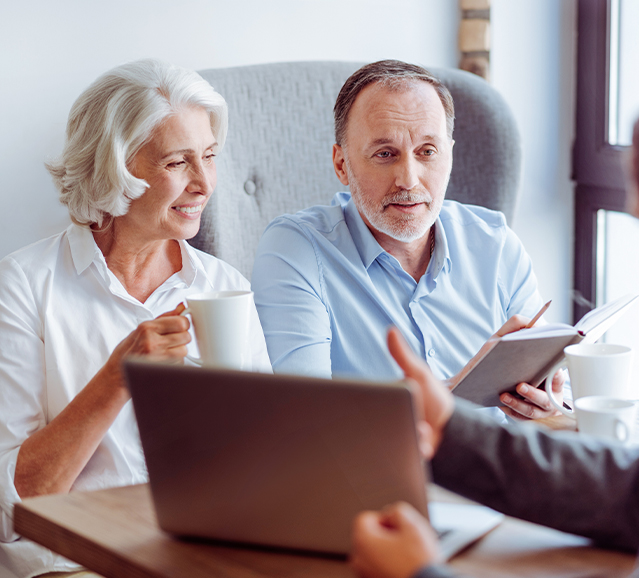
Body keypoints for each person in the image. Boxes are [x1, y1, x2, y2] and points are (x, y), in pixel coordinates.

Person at [0, 60, 271, 578]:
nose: (204, 184)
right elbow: (18, 501)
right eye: (177, 163)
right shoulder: (23, 286)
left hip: (201, 552)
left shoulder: (225, 288)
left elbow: (264, 462)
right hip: (75, 561)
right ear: (114, 168)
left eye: (209, 157)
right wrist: (119, 377)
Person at [251, 60, 563, 420]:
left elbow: (555, 399)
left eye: (427, 152)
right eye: (385, 154)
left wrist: (545, 400)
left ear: (449, 156)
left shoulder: (495, 243)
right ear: (341, 165)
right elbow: (306, 417)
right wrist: (466, 388)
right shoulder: (296, 250)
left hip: (500, 470)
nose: (409, 180)